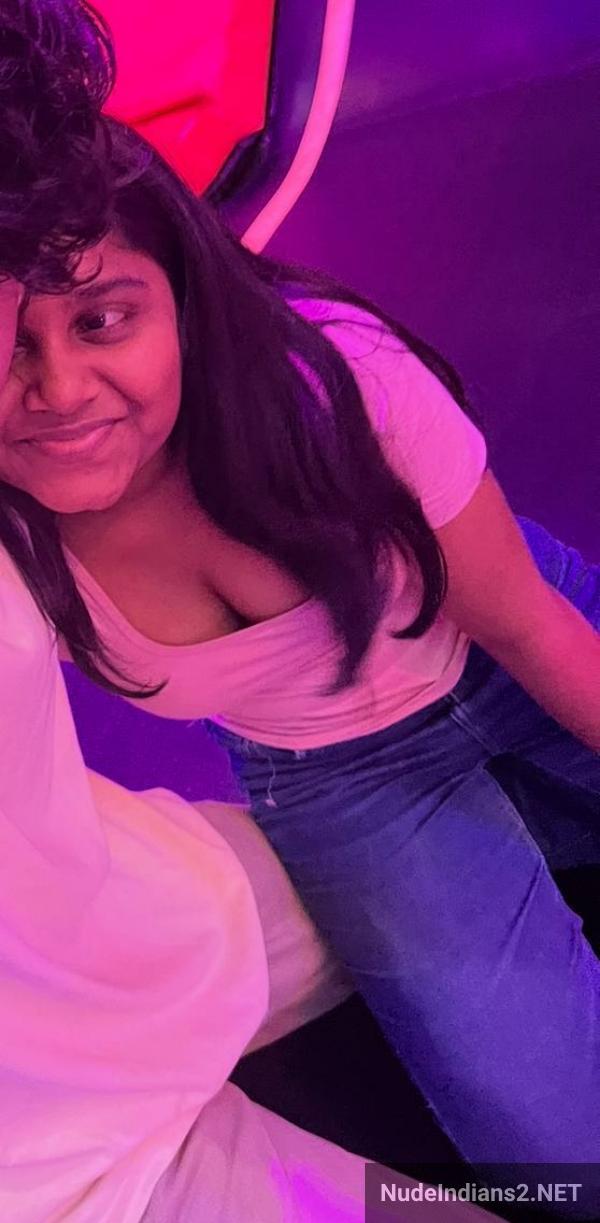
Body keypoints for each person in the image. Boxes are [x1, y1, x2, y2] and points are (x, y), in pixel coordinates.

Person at [1, 6, 598, 1196]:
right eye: (10, 342)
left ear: (184, 302)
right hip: (341, 787)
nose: (60, 388)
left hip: (503, 657)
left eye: (103, 319)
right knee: (563, 1158)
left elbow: (531, 626)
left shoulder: (341, 385)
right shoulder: (23, 545)